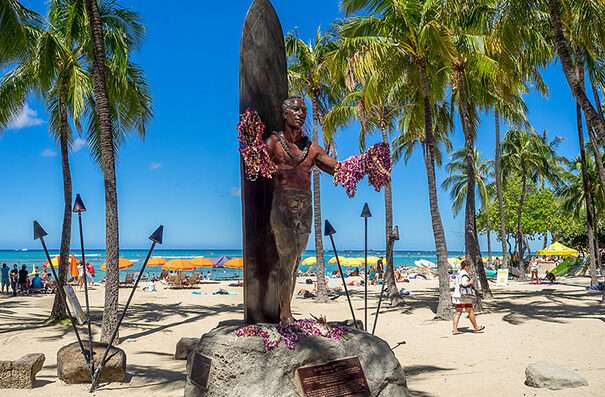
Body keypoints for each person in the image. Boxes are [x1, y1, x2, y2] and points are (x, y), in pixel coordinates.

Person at [452, 260, 485, 335]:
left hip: (458, 296)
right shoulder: (464, 274)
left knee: (458, 312)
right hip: (465, 297)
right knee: (470, 311)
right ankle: (476, 327)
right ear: (466, 266)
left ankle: (454, 329)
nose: (469, 268)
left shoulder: (459, 273)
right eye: (469, 266)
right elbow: (464, 284)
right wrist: (471, 281)